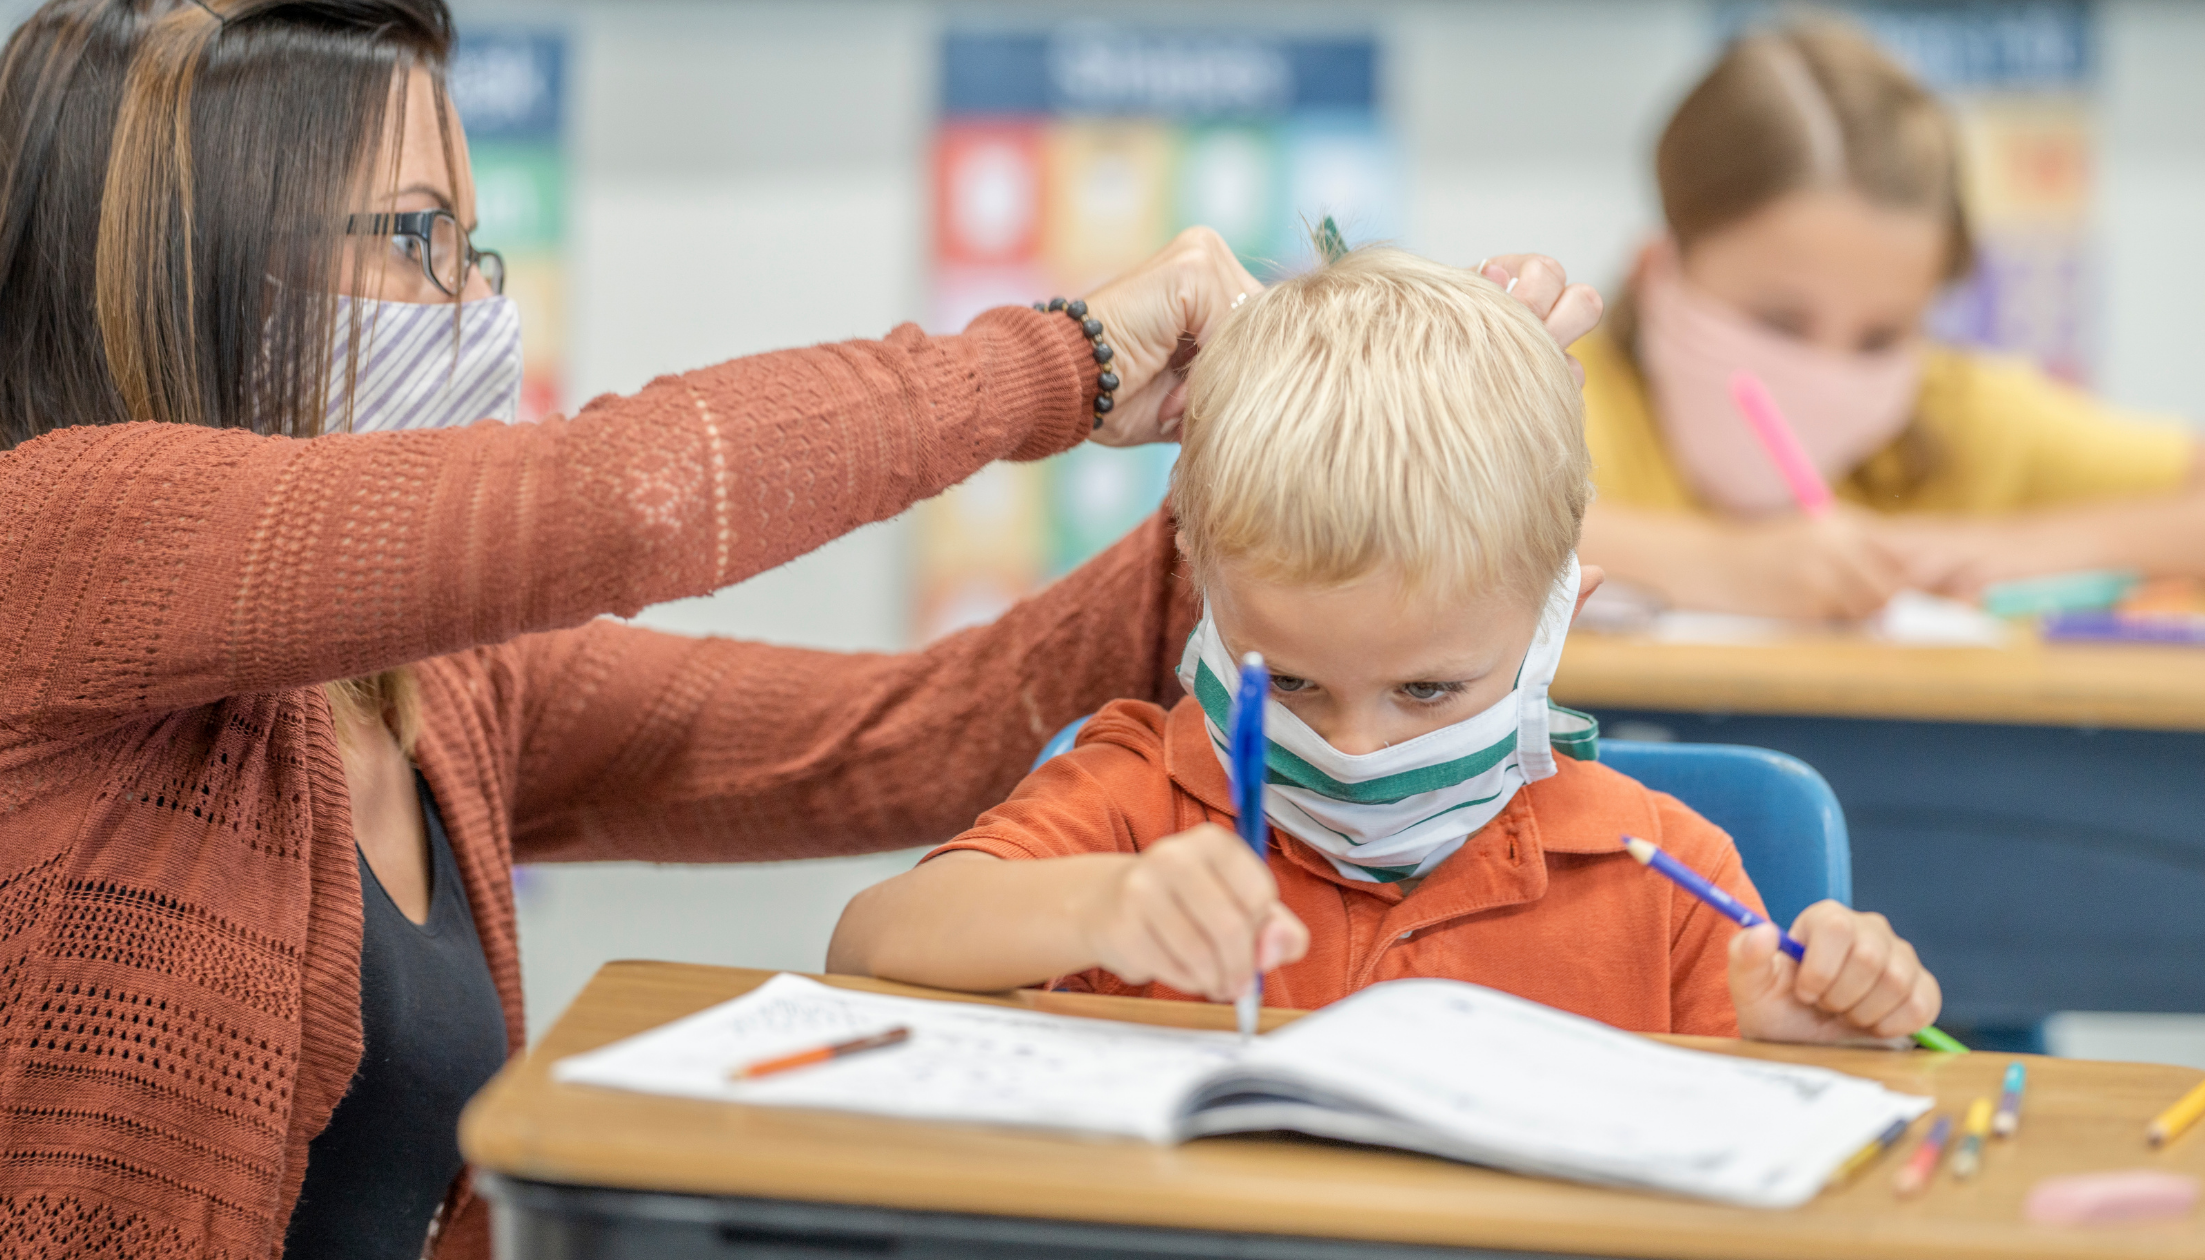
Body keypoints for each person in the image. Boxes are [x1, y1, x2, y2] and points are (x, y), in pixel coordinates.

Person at [0, 1, 1603, 1255]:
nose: (475, 303)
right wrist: (1072, 360)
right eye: (413, 240)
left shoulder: (428, 693)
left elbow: (911, 740)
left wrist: (1318, 480)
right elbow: (629, 502)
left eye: (474, 243)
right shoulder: (39, 539)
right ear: (201, 255)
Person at [829, 247, 1942, 1046]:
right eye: (1292, 682)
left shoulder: (1661, 877)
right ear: (1205, 606)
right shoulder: (1136, 800)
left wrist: (1809, 1032)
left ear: (1562, 617)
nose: (1355, 746)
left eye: (1426, 688)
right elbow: (870, 943)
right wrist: (1102, 907)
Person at [1575, 20, 2205, 620]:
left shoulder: (1959, 416)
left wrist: (2024, 550)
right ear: (1657, 267)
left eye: (1880, 337)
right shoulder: (1563, 407)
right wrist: (1724, 566)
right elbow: (1479, 531)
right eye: (1779, 322)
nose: (1826, 375)